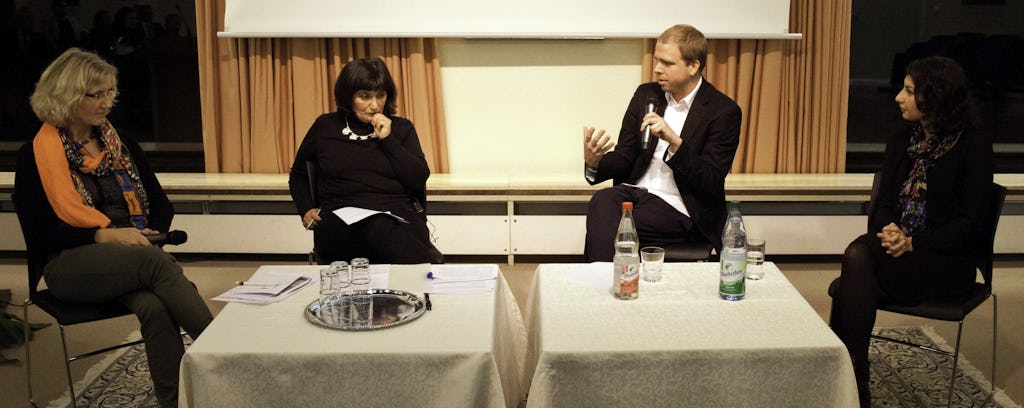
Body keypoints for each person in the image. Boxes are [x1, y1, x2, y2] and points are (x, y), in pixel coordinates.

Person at [14, 48, 212, 408]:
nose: (107, 102)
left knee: (155, 307)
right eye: (97, 94)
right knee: (155, 264)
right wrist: (101, 235)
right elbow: (40, 233)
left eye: (110, 93)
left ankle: (172, 401)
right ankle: (223, 354)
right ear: (68, 94)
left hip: (130, 256)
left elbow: (161, 204)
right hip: (70, 264)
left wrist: (151, 231)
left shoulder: (120, 144)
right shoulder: (36, 155)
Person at [829, 56, 993, 407]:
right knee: (858, 261)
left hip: (947, 263)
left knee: (851, 280)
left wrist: (914, 241)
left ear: (935, 97)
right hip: (896, 252)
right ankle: (854, 373)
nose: (897, 98)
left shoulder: (972, 144)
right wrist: (891, 231)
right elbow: (884, 203)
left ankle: (852, 374)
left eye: (909, 91)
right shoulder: (903, 139)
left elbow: (970, 224)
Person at [582, 24, 742, 261]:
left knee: (610, 223)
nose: (657, 69)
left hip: (681, 207)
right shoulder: (646, 95)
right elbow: (626, 154)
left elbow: (711, 180)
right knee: (603, 201)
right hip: (635, 193)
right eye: (656, 60)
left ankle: (603, 282)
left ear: (693, 66)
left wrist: (675, 143)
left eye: (667, 63)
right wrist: (595, 162)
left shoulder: (723, 111)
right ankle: (606, 277)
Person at [289, 57, 442, 265]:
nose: (375, 105)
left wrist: (388, 140)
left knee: (387, 232)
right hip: (340, 217)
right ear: (348, 96)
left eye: (381, 95)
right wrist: (306, 208)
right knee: (362, 233)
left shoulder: (401, 128)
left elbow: (418, 178)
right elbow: (298, 174)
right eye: (364, 96)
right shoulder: (325, 126)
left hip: (394, 216)